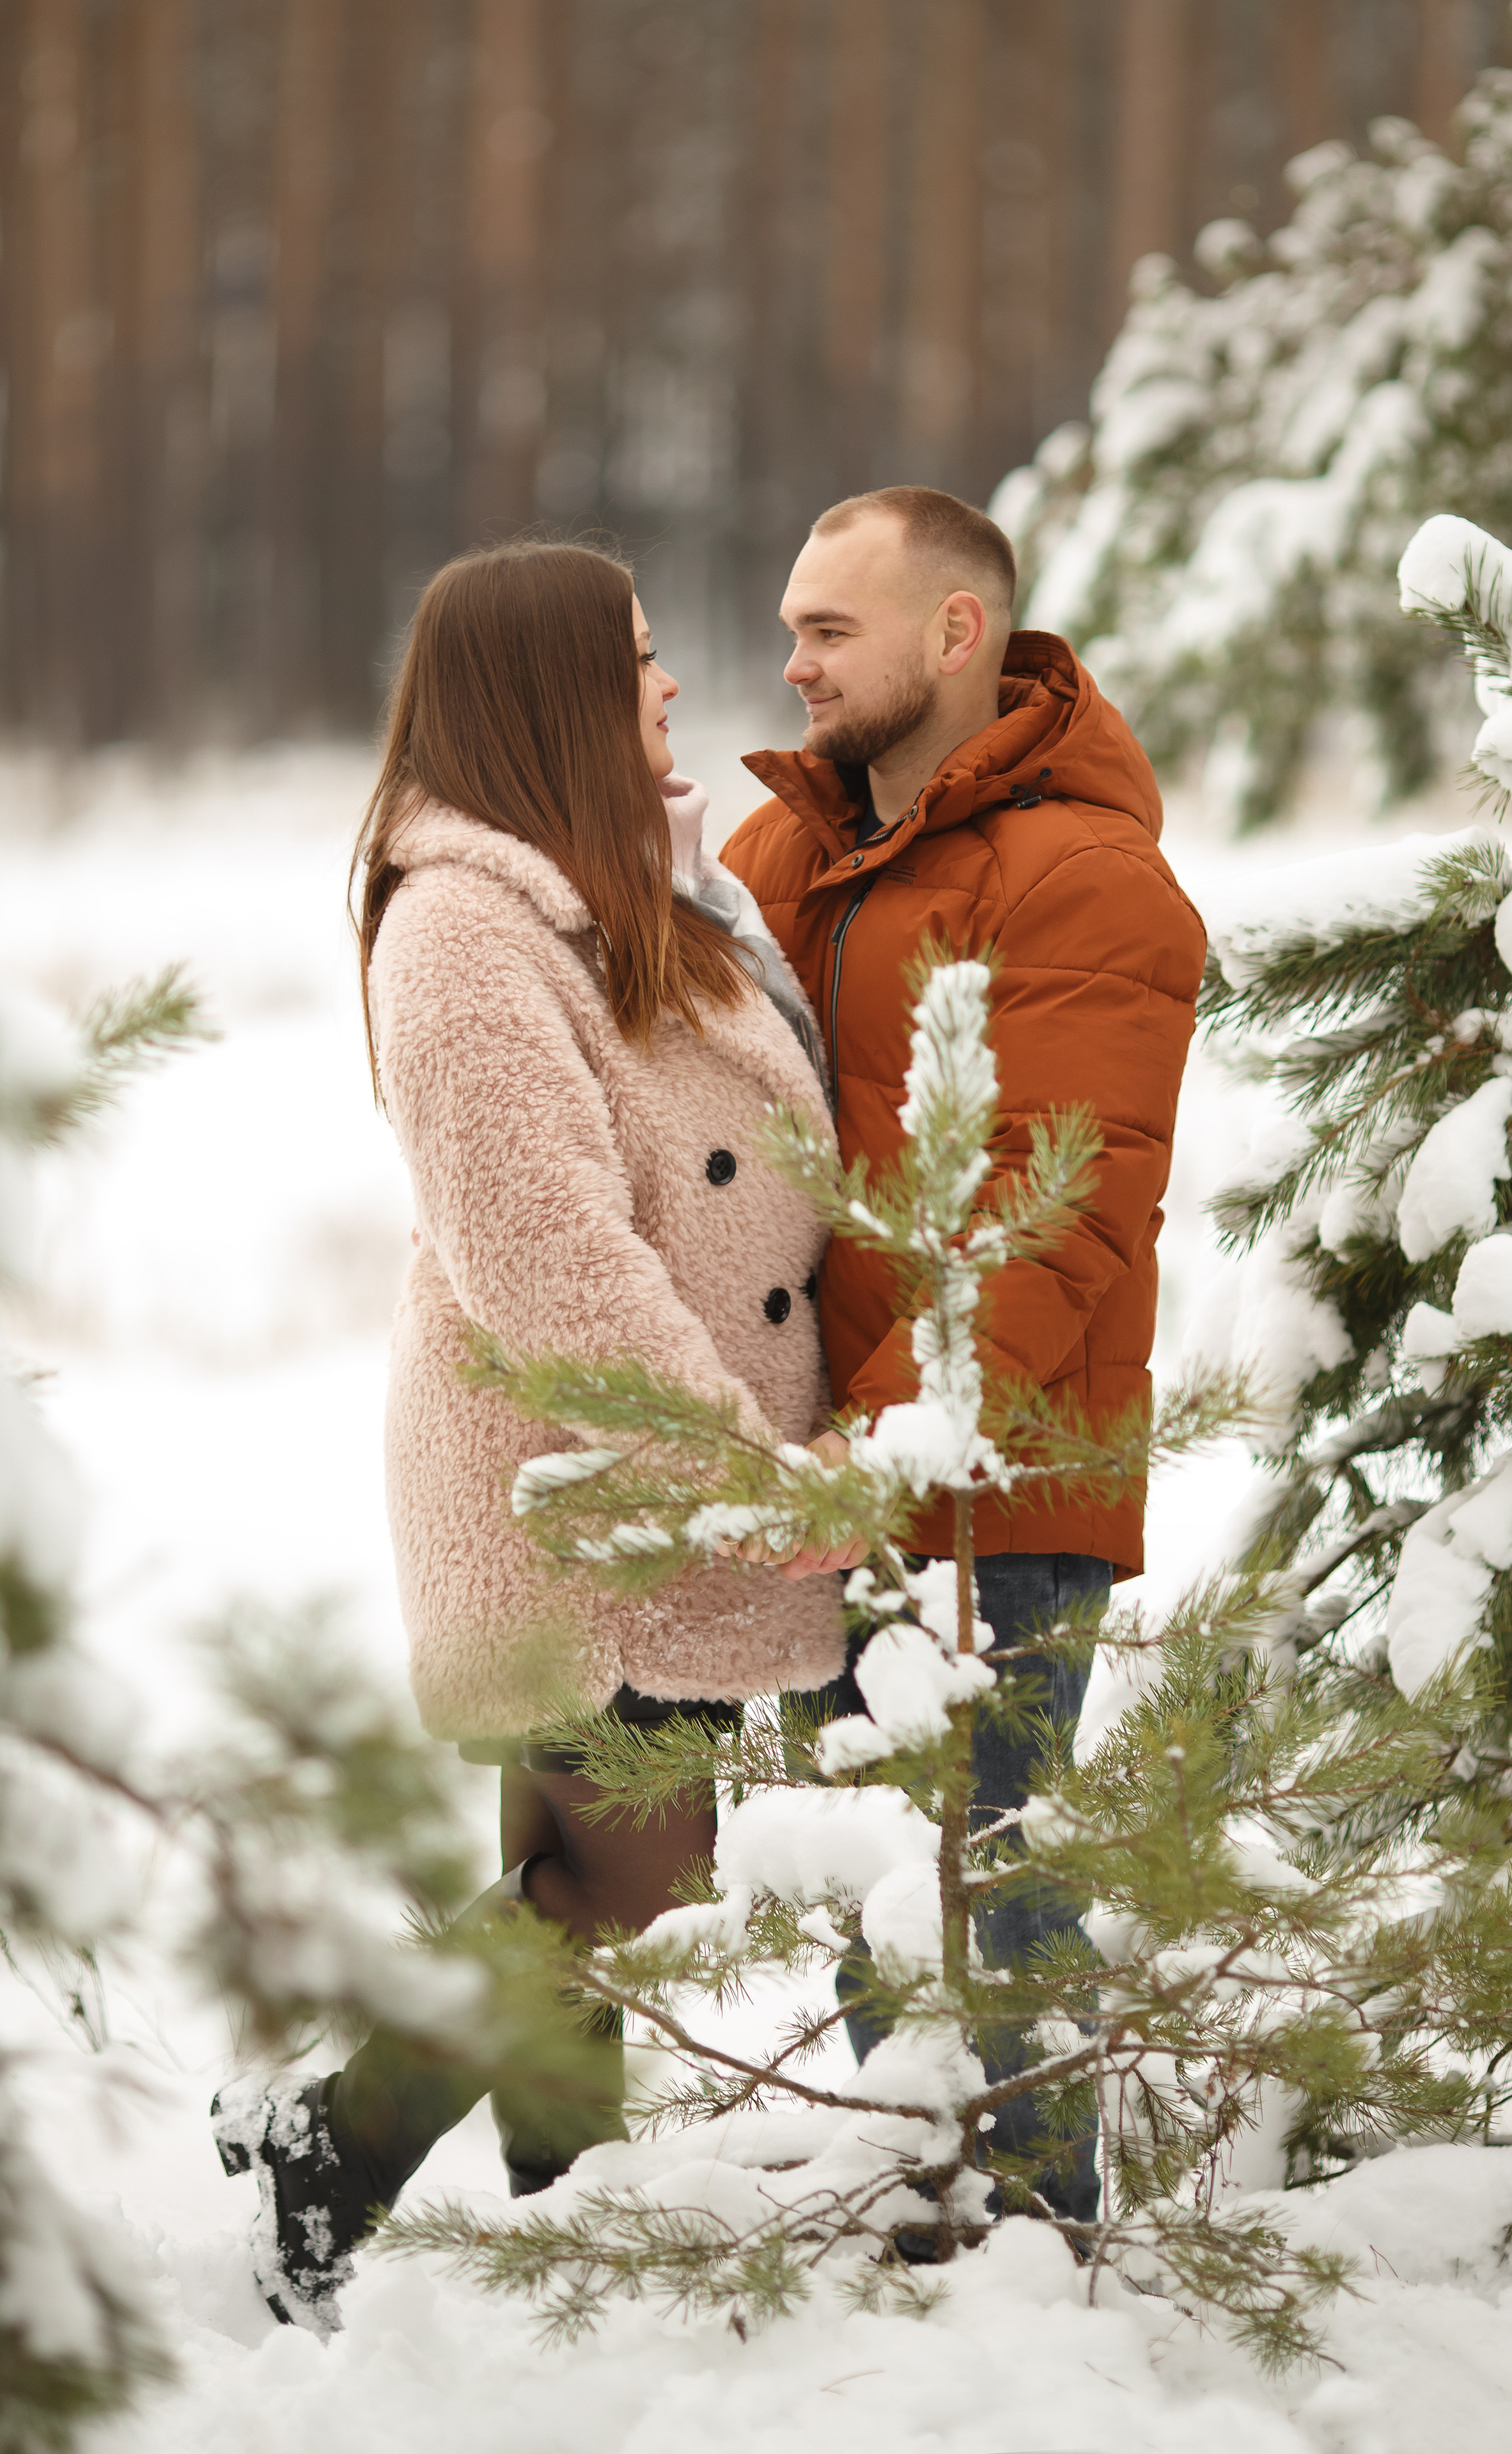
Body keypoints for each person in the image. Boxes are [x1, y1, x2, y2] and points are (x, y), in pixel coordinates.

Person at [212, 540, 859, 2332]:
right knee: (622, 1877)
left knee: (578, 1873)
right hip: (572, 1490)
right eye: (638, 661)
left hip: (621, 1480)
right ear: (553, 695)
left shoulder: (600, 892)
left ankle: (559, 2228)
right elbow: (554, 1259)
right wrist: (737, 1475)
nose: (671, 687)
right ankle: (325, 2147)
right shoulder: (463, 937)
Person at [722, 485, 1206, 2228]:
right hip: (817, 1480)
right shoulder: (789, 854)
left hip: (1002, 1493)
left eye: (826, 631)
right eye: (788, 627)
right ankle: (929, 2253)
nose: (789, 664)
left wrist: (886, 1448)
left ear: (954, 634)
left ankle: (1045, 2258)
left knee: (995, 1923)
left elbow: (1052, 1222)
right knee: (871, 1920)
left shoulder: (1089, 880)